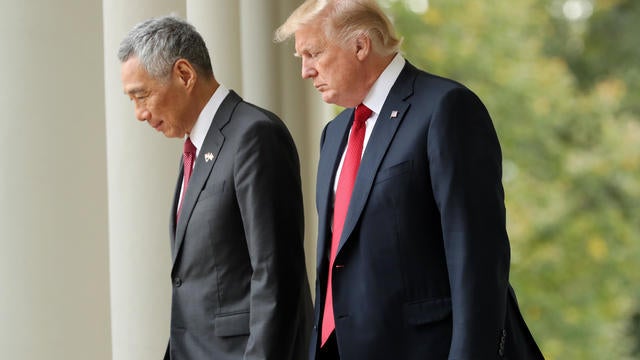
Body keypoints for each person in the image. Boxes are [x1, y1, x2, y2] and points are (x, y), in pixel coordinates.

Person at [275, 1, 545, 359]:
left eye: (313, 53)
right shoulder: (335, 133)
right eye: (301, 58)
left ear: (360, 45)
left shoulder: (446, 108)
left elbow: (478, 259)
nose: (306, 71)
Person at [119, 16, 312, 360]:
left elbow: (277, 276)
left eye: (142, 95)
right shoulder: (195, 147)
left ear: (184, 74)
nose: (139, 113)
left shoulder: (255, 135)